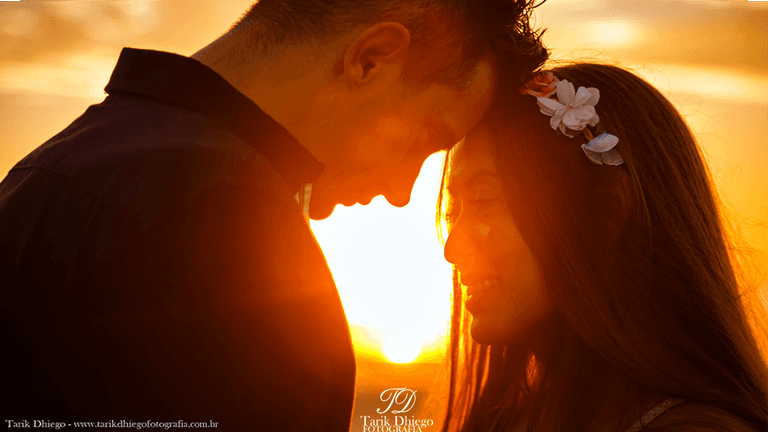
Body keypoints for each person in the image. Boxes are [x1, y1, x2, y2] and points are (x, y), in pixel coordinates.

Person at [0, 0, 548, 428]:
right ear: (370, 58)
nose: (403, 193)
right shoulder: (225, 231)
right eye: (427, 140)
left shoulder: (55, 163)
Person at [438, 63, 768, 432]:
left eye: (484, 200)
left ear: (606, 212)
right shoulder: (506, 420)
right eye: (452, 211)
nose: (452, 250)